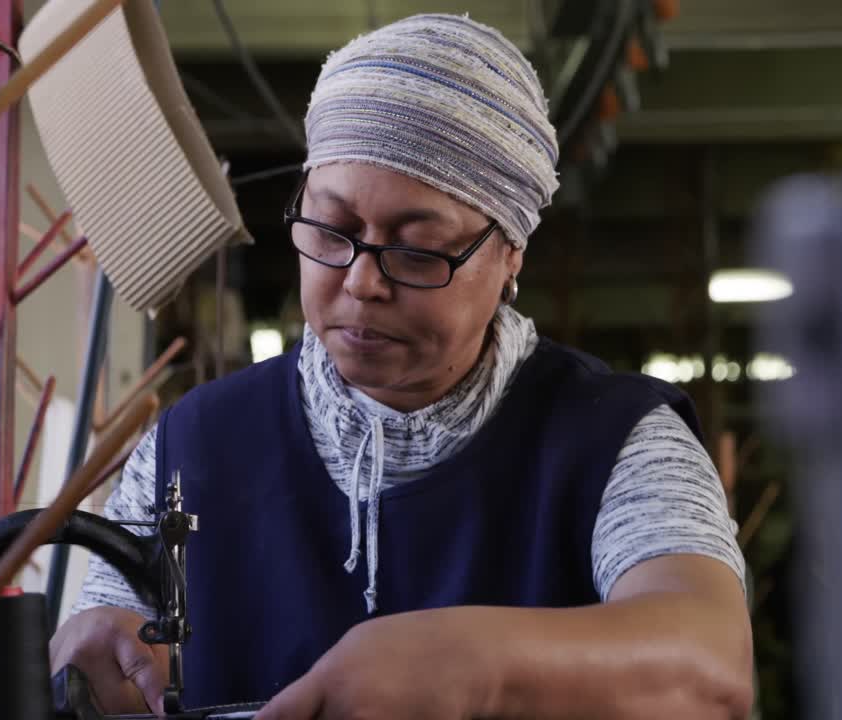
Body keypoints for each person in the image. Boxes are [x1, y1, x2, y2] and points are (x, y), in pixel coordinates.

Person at [51, 13, 752, 719]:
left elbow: (711, 667)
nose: (360, 282)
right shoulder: (192, 445)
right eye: (332, 230)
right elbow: (115, 649)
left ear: (511, 254)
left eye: (416, 250)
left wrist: (480, 664)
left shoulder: (613, 441)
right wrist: (100, 660)